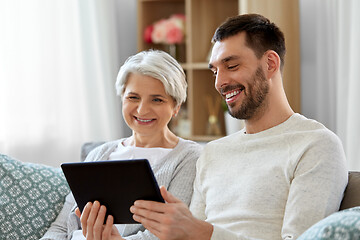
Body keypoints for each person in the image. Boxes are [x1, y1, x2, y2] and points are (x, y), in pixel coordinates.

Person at [128, 14, 349, 240]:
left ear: (270, 64)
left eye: (231, 66)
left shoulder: (316, 145)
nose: (219, 82)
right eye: (215, 71)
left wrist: (203, 233)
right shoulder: (213, 153)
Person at [40, 49, 203, 240]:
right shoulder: (99, 154)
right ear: (122, 97)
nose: (142, 110)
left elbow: (170, 233)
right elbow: (60, 228)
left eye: (157, 99)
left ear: (176, 107)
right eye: (133, 97)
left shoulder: (189, 157)